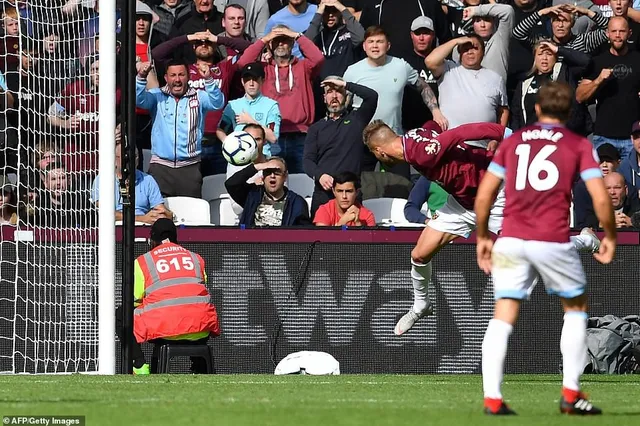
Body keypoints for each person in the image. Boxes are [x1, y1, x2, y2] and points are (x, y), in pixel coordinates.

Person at [362, 119, 601, 336]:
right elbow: (433, 126)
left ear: (379, 151)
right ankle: (421, 305)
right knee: (419, 254)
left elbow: (461, 131)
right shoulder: (414, 135)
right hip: (462, 203)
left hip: (496, 196)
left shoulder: (420, 154)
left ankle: (584, 240)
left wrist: (505, 134)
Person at [474, 81, 615, 415]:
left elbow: (485, 195)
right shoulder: (578, 145)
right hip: (552, 238)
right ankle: (570, 393)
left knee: (504, 312)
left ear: (536, 109)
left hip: (510, 238)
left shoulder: (512, 142)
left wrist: (482, 236)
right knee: (576, 307)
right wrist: (609, 234)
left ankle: (492, 398)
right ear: (569, 111)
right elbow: (599, 196)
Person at [116, 218, 221, 374]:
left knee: (120, 313)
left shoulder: (144, 261)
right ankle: (199, 366)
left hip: (166, 331)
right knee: (196, 310)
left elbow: (134, 297)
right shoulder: (196, 258)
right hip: (202, 329)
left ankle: (139, 365)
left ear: (152, 240)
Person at [136, 59, 225, 197]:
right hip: (160, 168)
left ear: (188, 76)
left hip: (190, 169)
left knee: (190, 214)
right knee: (159, 214)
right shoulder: (156, 95)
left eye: (181, 75)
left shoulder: (199, 96)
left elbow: (217, 102)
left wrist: (208, 79)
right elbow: (138, 100)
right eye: (173, 75)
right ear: (166, 78)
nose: (177, 79)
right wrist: (141, 77)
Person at [303, 76, 378, 218]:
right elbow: (307, 161)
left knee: (352, 239)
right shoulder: (316, 128)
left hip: (350, 194)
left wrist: (345, 84)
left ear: (346, 96)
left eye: (338, 91)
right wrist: (320, 175)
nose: (334, 96)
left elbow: (372, 97)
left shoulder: (357, 119)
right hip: (323, 193)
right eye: (330, 92)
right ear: (324, 98)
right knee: (319, 239)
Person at [225, 157, 311, 226]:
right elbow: (231, 184)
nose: (272, 176)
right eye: (268, 172)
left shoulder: (297, 202)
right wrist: (257, 167)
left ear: (285, 176)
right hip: (251, 245)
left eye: (277, 172)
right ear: (263, 176)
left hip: (281, 246)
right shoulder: (252, 194)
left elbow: (304, 234)